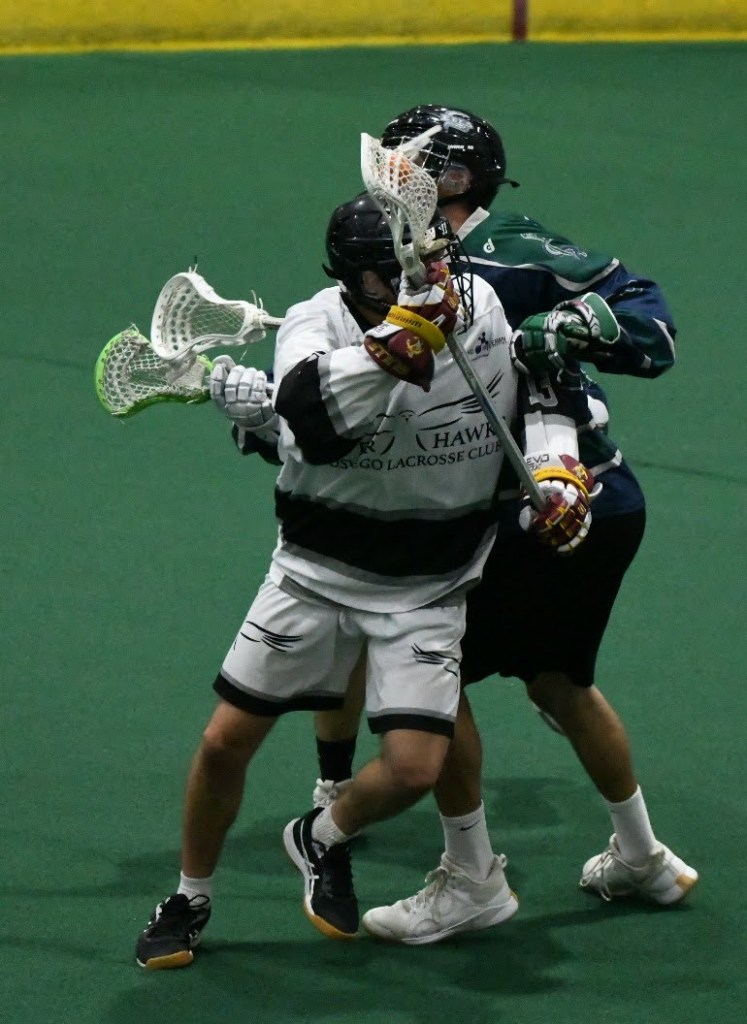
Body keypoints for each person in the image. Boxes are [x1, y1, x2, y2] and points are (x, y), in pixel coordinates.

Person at [133, 194, 593, 968]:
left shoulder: (482, 307)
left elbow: (544, 388)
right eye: (406, 266)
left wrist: (558, 471)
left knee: (413, 768)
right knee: (224, 744)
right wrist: (398, 342)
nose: (432, 273)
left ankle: (319, 835)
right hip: (314, 574)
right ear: (361, 279)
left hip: (430, 585)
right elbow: (312, 423)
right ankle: (189, 895)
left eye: (435, 255)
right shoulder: (315, 323)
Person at [301, 106, 697, 943]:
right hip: (604, 501)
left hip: (540, 510)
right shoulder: (434, 257)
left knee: (429, 684)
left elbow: (649, 321)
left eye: (403, 174)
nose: (386, 188)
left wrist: (577, 326)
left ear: (446, 182)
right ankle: (644, 857)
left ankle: (472, 878)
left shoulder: (493, 256)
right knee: (558, 681)